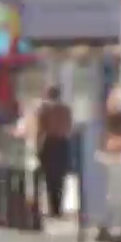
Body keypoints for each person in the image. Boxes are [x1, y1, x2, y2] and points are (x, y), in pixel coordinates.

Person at [34, 86, 73, 218]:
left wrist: (37, 147)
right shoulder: (66, 109)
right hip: (63, 143)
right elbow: (69, 127)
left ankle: (53, 208)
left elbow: (40, 129)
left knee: (50, 178)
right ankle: (58, 207)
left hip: (49, 143)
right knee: (60, 177)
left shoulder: (45, 109)